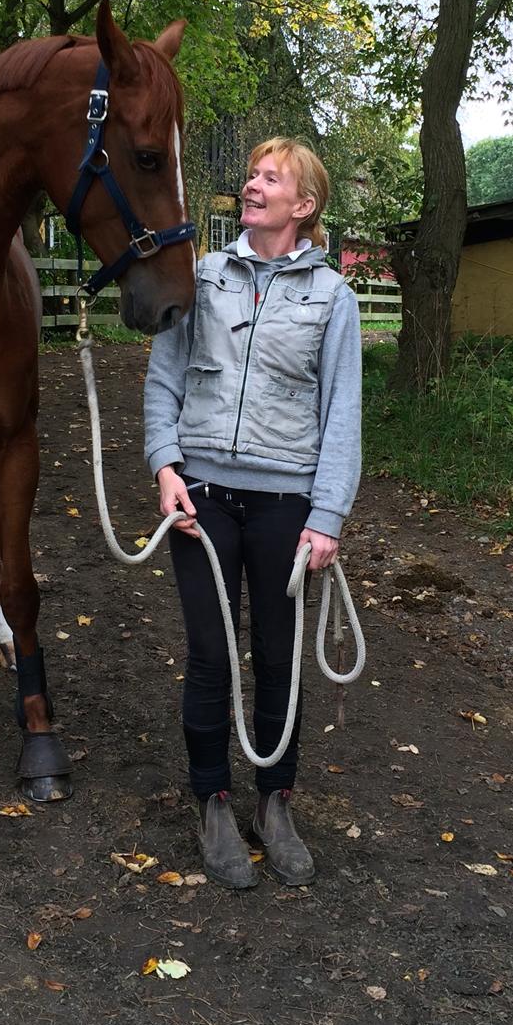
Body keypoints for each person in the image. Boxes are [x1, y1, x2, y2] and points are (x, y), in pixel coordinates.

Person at [143, 138, 362, 889]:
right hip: (202, 496)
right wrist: (165, 468)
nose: (252, 184)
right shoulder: (201, 278)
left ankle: (277, 801)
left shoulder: (334, 297)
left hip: (285, 503)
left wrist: (327, 514)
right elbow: (162, 381)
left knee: (276, 657)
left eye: (271, 178)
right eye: (252, 174)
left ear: (303, 206)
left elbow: (343, 415)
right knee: (210, 654)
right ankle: (213, 800)